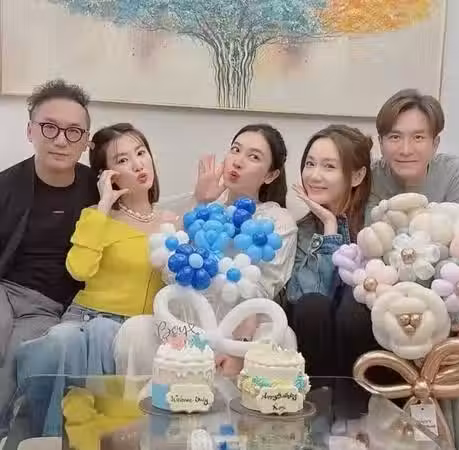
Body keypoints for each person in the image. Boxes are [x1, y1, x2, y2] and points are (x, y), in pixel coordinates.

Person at [14, 123, 176, 436]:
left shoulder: (173, 223)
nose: (138, 164)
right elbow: (79, 269)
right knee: (62, 340)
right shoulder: (96, 215)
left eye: (141, 153)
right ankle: (52, 437)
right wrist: (103, 205)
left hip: (135, 329)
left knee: (106, 335)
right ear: (107, 175)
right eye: (123, 160)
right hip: (87, 319)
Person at [114, 123, 297, 378]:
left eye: (254, 157)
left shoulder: (277, 222)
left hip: (242, 329)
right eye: (235, 150)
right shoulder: (203, 208)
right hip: (186, 326)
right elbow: (170, 267)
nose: (238, 161)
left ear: (271, 175)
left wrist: (237, 347)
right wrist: (200, 200)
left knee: (282, 337)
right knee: (134, 330)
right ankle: (148, 403)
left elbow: (261, 291)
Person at [0, 80, 98, 431]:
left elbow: (141, 215)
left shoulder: (98, 190)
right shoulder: (6, 185)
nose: (60, 140)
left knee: (17, 361)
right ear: (31, 131)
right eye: (49, 127)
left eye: (73, 132)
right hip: (5, 289)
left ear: (86, 141)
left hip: (47, 305)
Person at [285, 125, 372, 376]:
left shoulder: (375, 226)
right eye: (310, 164)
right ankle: (319, 396)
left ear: (357, 176)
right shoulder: (301, 231)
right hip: (313, 358)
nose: (314, 176)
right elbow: (308, 298)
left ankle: (355, 396)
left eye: (329, 166)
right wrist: (329, 228)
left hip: (363, 358)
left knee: (356, 304)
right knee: (312, 306)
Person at [366, 88, 459, 221]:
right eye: (395, 137)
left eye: (418, 137)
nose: (406, 151)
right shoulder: (370, 178)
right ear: (381, 143)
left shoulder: (457, 174)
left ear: (435, 144)